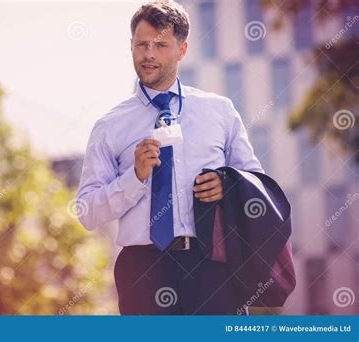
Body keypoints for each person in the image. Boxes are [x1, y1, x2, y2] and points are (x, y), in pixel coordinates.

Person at [76, 0, 264, 315]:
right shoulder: (109, 126)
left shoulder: (218, 111)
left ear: (181, 50)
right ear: (131, 47)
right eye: (142, 44)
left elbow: (257, 184)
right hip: (142, 272)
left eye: (161, 45)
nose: (149, 54)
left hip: (212, 267)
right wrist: (133, 177)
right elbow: (87, 212)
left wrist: (227, 185)